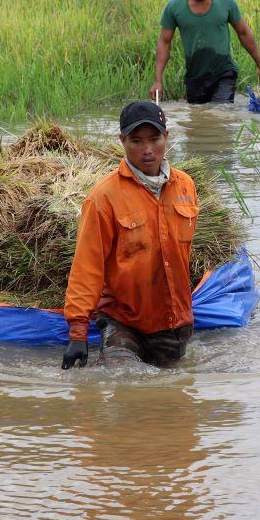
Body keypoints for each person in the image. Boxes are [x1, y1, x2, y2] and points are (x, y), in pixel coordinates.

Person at [61, 100, 199, 369]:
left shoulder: (185, 186)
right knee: (125, 381)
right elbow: (86, 267)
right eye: (136, 141)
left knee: (176, 398)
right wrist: (78, 333)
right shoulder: (104, 198)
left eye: (154, 139)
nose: (147, 150)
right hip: (123, 322)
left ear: (166, 137)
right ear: (122, 141)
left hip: (174, 323)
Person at [149, 0, 260, 104]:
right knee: (198, 120)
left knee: (220, 112)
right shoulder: (174, 7)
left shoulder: (226, 3)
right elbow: (164, 41)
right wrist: (158, 81)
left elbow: (243, 33)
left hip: (224, 73)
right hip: (194, 78)